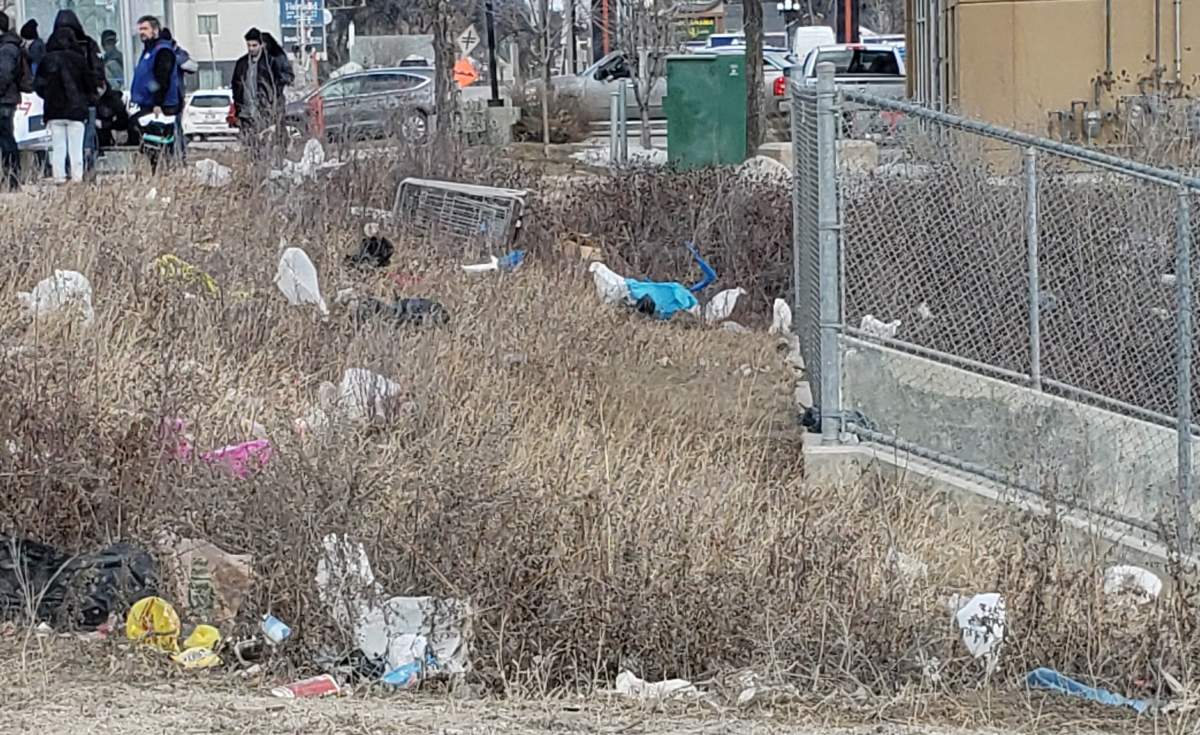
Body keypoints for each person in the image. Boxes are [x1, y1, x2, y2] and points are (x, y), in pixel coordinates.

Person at [35, 25, 95, 183]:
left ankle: (59, 178)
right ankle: (77, 178)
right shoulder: (79, 59)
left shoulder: (47, 59)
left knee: (58, 148)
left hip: (54, 110)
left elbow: (38, 85)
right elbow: (90, 84)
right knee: (76, 149)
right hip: (76, 110)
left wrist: (48, 96)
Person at [52, 11, 103, 170]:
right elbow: (97, 71)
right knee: (86, 140)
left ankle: (64, 175)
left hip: (59, 103)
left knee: (61, 145)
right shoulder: (88, 44)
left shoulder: (52, 48)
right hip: (85, 99)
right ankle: (85, 172)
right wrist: (94, 91)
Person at [231, 27, 293, 156]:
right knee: (250, 147)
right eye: (249, 45)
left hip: (266, 111)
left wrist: (272, 101)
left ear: (261, 44)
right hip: (246, 113)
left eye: (254, 45)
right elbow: (236, 86)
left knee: (268, 145)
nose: (251, 48)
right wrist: (238, 108)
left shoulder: (271, 62)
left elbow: (284, 79)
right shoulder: (241, 64)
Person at [129, 15, 181, 163]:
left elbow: (162, 79)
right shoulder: (148, 50)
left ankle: (163, 172)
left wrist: (158, 102)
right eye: (140, 29)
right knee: (147, 141)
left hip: (161, 106)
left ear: (155, 30)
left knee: (158, 145)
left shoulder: (162, 51)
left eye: (145, 28)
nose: (141, 32)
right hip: (148, 104)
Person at [0, 14, 33, 190]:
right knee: (6, 139)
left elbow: (4, 75)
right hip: (7, 99)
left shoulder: (6, 49)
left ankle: (11, 178)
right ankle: (10, 178)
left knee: (6, 141)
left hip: (3, 100)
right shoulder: (10, 47)